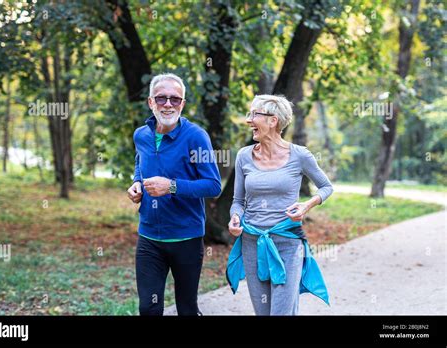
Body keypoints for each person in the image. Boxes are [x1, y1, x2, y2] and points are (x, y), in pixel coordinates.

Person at [226, 94, 333, 315]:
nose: (249, 120)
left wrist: (306, 206)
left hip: (287, 243)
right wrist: (235, 218)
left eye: (254, 114)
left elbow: (326, 187)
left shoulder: (299, 155)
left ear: (273, 120)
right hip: (252, 243)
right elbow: (237, 202)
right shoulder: (244, 156)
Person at [127, 73, 221, 315]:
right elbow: (140, 163)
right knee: (148, 307)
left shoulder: (196, 137)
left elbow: (213, 185)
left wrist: (171, 186)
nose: (168, 104)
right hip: (149, 237)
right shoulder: (141, 135)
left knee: (187, 308)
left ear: (183, 104)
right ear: (150, 102)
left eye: (175, 99)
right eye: (161, 99)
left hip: (186, 238)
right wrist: (137, 183)